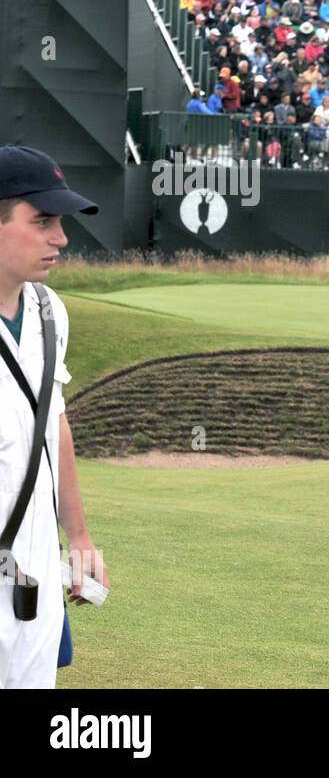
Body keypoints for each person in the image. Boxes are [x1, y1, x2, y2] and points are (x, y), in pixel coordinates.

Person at [0, 146, 108, 688]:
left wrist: (80, 537)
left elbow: (53, 420)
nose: (60, 239)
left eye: (60, 223)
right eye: (41, 221)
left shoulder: (50, 312)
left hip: (35, 571)